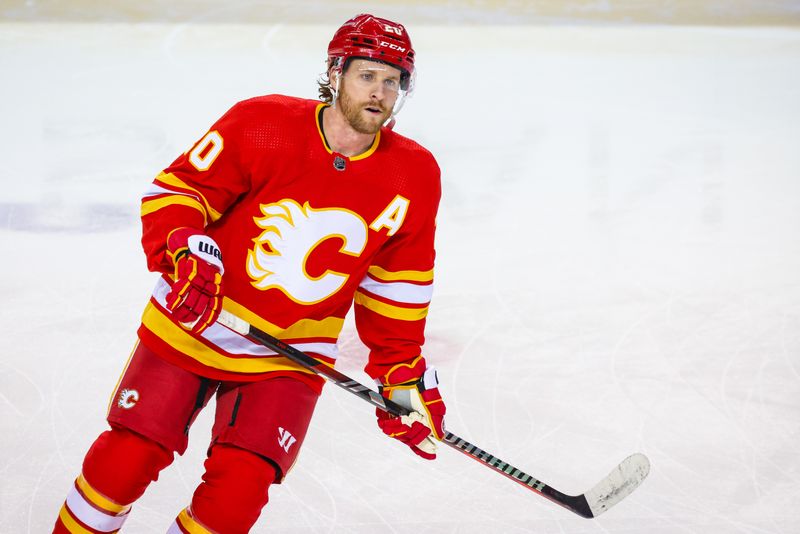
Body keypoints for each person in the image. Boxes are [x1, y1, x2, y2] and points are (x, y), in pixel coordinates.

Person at [53, 13, 446, 534]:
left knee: (234, 502)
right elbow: (178, 194)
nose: (379, 92)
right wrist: (186, 253)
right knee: (123, 464)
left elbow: (397, 285)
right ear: (336, 74)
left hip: (289, 356)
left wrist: (401, 374)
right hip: (194, 324)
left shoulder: (414, 174)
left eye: (392, 81)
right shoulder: (262, 123)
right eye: (367, 75)